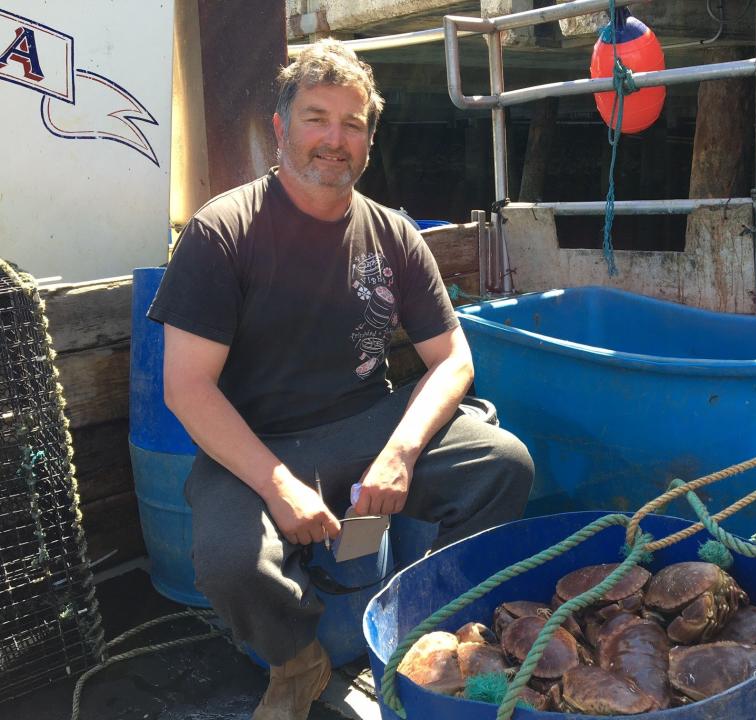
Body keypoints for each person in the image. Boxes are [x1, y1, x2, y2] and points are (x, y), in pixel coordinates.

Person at [148, 39, 534, 720]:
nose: (334, 139)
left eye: (352, 124)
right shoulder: (222, 232)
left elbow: (454, 359)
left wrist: (401, 452)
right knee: (228, 558)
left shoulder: (392, 233)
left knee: (503, 464)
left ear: (369, 139)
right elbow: (187, 389)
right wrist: (277, 485)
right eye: (316, 118)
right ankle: (297, 663)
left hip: (367, 421)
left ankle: (430, 631)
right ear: (281, 128)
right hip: (257, 442)